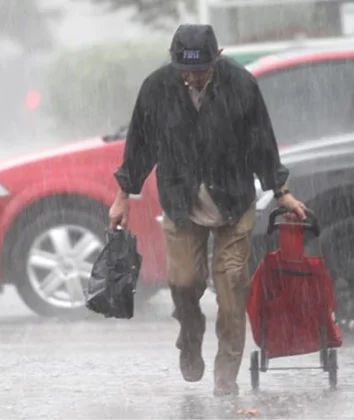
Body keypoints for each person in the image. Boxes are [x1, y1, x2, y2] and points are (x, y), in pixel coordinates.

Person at [109, 24, 307, 396]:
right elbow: (139, 145)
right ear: (174, 63)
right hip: (181, 204)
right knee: (184, 283)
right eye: (185, 70)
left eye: (201, 70)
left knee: (232, 285)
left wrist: (281, 190)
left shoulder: (241, 85)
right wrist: (124, 195)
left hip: (233, 201)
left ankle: (226, 375)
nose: (193, 78)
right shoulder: (157, 88)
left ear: (218, 57)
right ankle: (190, 336)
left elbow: (262, 141)